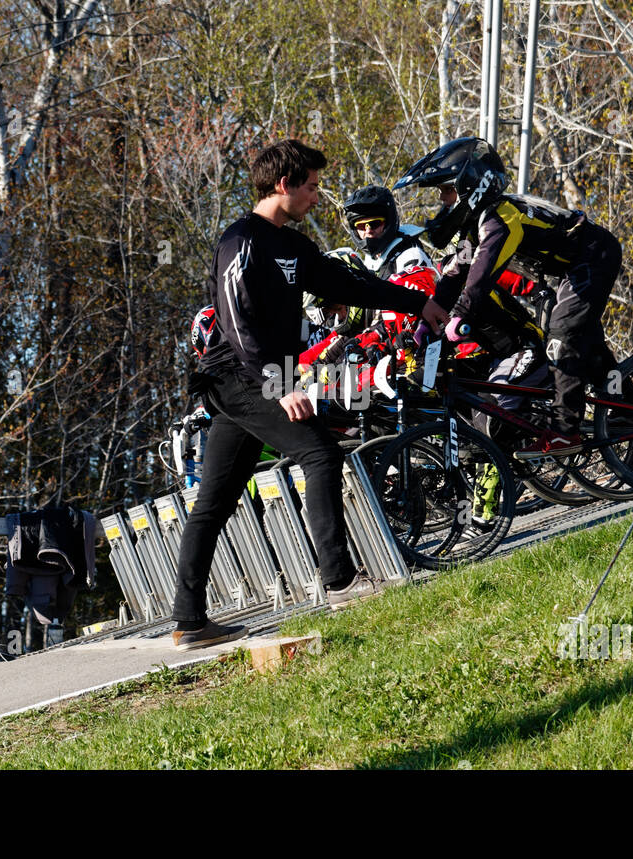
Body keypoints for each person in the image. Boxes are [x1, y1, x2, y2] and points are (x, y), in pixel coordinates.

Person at [170, 139, 449, 651]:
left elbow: (352, 285)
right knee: (320, 454)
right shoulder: (242, 239)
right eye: (313, 186)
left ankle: (189, 622)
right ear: (285, 184)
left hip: (258, 380)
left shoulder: (293, 246)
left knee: (214, 501)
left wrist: (419, 303)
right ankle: (341, 582)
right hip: (240, 378)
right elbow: (236, 323)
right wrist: (280, 387)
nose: (318, 197)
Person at [393, 136, 621, 456]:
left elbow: (479, 278)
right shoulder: (480, 224)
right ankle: (623, 403)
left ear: (471, 184)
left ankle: (566, 432)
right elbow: (455, 275)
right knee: (584, 341)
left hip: (594, 256)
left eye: (446, 191)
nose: (443, 200)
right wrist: (427, 320)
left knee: (560, 335)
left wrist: (458, 317)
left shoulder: (501, 219)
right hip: (572, 268)